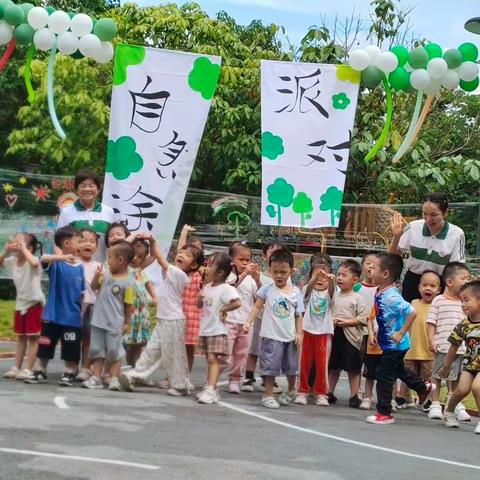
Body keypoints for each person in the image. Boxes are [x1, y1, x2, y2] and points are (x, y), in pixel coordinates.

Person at [119, 238, 204, 395]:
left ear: (193, 265)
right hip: (164, 319)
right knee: (151, 350)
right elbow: (159, 260)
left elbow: (158, 257)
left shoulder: (179, 274)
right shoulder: (172, 272)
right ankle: (135, 375)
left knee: (174, 355)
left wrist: (152, 241)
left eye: (188, 254)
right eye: (181, 252)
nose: (182, 255)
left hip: (174, 321)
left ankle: (180, 385)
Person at [366, 253, 435, 425]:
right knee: (398, 370)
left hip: (395, 344)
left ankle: (385, 413)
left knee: (384, 375)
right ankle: (423, 387)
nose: (369, 270)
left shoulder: (392, 296)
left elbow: (412, 312)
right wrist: (375, 332)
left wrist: (401, 332)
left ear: (385, 274)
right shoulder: (381, 291)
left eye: (374, 268)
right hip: (390, 342)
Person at [244, 248, 304, 409]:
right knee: (270, 367)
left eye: (283, 272)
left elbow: (299, 315)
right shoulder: (267, 289)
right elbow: (257, 306)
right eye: (275, 271)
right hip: (271, 336)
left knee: (291, 368)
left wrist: (299, 333)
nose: (279, 275)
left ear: (291, 271)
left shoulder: (296, 292)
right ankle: (268, 395)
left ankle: (291, 390)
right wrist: (248, 322)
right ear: (269, 270)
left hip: (290, 338)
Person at [25, 226, 85, 386]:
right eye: (79, 241)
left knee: (71, 348)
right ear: (66, 243)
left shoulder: (80, 268)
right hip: (52, 316)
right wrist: (62, 258)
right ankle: (40, 369)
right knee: (45, 344)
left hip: (72, 318)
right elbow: (43, 258)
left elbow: (82, 294)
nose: (81, 244)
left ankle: (70, 370)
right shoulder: (56, 265)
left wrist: (82, 313)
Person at [389, 192, 466, 302]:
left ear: (445, 213)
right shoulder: (413, 227)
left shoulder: (457, 234)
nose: (428, 219)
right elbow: (391, 258)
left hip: (439, 285)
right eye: (425, 214)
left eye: (434, 215)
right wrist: (396, 237)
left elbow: (457, 268)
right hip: (413, 282)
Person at [83, 241, 135, 390]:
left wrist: (127, 322)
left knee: (114, 351)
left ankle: (114, 379)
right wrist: (96, 277)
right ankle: (96, 378)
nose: (107, 261)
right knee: (97, 350)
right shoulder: (104, 274)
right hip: (98, 321)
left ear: (120, 260)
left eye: (109, 257)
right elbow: (93, 288)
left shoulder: (129, 282)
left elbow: (129, 304)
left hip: (114, 323)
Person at [426, 262, 471, 421]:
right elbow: (431, 322)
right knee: (437, 375)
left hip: (462, 348)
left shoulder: (465, 302)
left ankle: (455, 404)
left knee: (459, 377)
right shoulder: (438, 300)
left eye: (468, 278)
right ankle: (435, 403)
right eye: (463, 278)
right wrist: (431, 340)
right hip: (443, 346)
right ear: (450, 281)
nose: (467, 281)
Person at [242, 241, 287, 393]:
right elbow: (259, 297)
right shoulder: (258, 275)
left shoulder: (285, 278)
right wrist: (256, 279)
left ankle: (268, 379)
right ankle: (248, 376)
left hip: (275, 321)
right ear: (264, 256)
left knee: (271, 351)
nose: (275, 254)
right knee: (254, 348)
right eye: (271, 251)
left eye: (278, 252)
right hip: (260, 317)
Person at [197, 252, 241, 404]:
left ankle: (210, 389)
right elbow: (199, 305)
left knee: (212, 358)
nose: (206, 268)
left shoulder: (225, 288)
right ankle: (211, 389)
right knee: (209, 359)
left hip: (217, 330)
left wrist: (223, 309)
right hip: (206, 329)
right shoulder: (208, 286)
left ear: (221, 272)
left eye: (210, 265)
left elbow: (237, 302)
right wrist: (199, 298)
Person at [217, 242, 260, 394]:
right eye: (241, 259)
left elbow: (259, 298)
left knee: (241, 354)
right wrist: (244, 274)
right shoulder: (228, 275)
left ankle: (235, 379)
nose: (245, 263)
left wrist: (257, 279)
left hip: (246, 322)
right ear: (231, 260)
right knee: (224, 353)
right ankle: (214, 376)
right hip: (229, 321)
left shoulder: (251, 279)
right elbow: (230, 287)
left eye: (247, 260)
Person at [1, 233, 45, 380]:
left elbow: (34, 263)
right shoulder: (13, 260)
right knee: (20, 338)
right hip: (20, 304)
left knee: (33, 338)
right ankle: (16, 367)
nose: (15, 243)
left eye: (19, 241)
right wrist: (6, 251)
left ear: (29, 248)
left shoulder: (33, 260)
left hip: (34, 303)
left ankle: (29, 369)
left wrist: (24, 249)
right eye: (14, 240)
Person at [396, 270, 441, 409]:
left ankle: (427, 400)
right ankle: (403, 397)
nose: (428, 288)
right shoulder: (413, 303)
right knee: (408, 374)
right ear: (419, 287)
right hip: (412, 347)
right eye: (425, 285)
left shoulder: (438, 306)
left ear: (439, 290)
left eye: (433, 286)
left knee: (428, 376)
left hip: (429, 349)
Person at [295, 259, 335, 406]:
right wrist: (314, 278)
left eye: (324, 277)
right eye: (317, 275)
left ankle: (321, 393)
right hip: (307, 331)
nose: (321, 279)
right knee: (304, 363)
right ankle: (302, 391)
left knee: (322, 364)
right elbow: (307, 288)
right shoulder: (307, 291)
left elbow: (332, 291)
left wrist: (331, 281)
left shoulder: (331, 292)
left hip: (324, 332)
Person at [442, 281, 480, 434]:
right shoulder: (463, 325)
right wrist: (446, 366)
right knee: (461, 390)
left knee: (477, 387)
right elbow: (454, 346)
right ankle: (449, 411)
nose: (463, 304)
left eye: (467, 300)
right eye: (461, 301)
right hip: (470, 364)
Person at [328, 260, 367, 408]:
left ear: (355, 280)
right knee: (333, 366)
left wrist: (347, 322)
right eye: (339, 274)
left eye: (344, 275)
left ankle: (354, 394)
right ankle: (329, 392)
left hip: (351, 337)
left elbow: (362, 318)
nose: (339, 278)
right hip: (334, 333)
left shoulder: (357, 298)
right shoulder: (335, 296)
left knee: (353, 368)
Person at [56, 169, 116, 262]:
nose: (87, 189)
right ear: (77, 190)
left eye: (91, 186)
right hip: (75, 268)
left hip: (101, 269)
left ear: (98, 189)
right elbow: (59, 243)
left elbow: (114, 242)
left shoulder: (108, 212)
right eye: (83, 186)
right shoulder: (66, 213)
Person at [123, 239, 157, 367]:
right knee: (127, 343)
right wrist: (134, 236)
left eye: (140, 257)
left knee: (137, 344)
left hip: (140, 313)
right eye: (133, 255)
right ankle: (129, 366)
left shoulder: (140, 270)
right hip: (127, 312)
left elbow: (154, 256)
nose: (135, 259)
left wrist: (154, 296)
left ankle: (135, 370)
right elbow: (122, 245)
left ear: (143, 259)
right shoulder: (123, 267)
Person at [178, 224, 205, 379]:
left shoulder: (201, 274)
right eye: (188, 250)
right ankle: (172, 376)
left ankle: (186, 376)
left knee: (189, 348)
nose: (190, 252)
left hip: (193, 316)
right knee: (177, 347)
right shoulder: (179, 272)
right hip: (178, 314)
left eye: (196, 250)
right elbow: (180, 251)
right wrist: (184, 232)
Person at [76, 228, 101, 382]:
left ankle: (85, 368)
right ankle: (71, 366)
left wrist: (98, 278)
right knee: (72, 338)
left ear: (96, 246)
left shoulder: (99, 266)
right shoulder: (70, 261)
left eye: (92, 241)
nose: (88, 244)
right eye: (83, 240)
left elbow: (96, 289)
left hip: (91, 306)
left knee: (87, 339)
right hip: (74, 305)